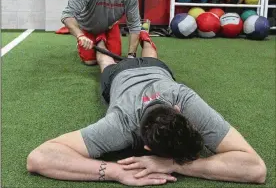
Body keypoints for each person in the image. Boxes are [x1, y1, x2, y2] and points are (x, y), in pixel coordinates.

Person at [27, 31, 267, 186]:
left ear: (179, 110)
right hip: (120, 76)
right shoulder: (121, 125)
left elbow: (256, 169)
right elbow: (38, 159)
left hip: (156, 69)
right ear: (147, 147)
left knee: (150, 53)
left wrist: (174, 164)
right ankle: (100, 40)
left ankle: (145, 36)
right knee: (105, 62)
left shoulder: (186, 100)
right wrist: (115, 172)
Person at [61, 0, 141, 65]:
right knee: (90, 61)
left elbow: (134, 25)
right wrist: (80, 35)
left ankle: (101, 38)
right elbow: (67, 14)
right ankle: (96, 40)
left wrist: (132, 55)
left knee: (115, 58)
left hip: (110, 27)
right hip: (89, 27)